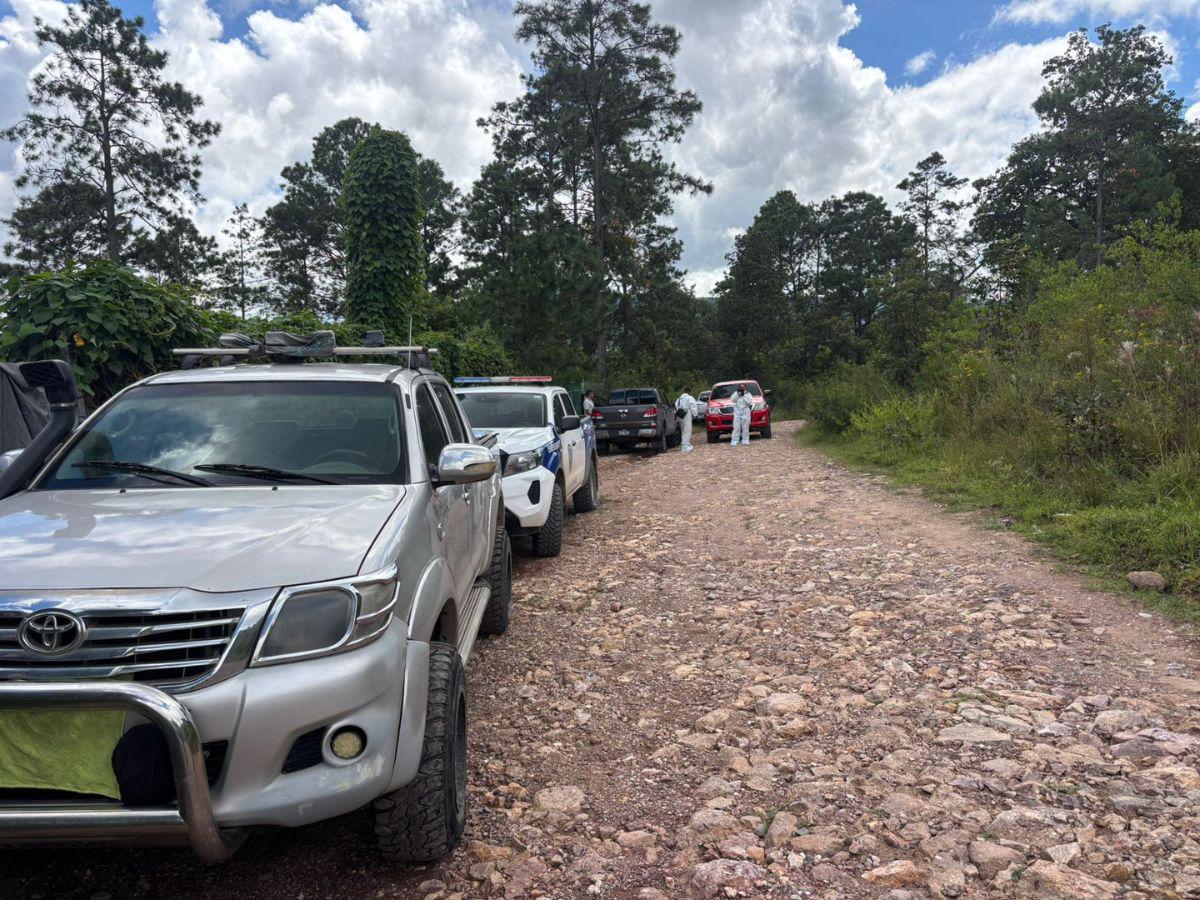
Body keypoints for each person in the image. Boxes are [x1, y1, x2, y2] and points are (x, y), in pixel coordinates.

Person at [730, 383, 753, 447]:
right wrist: (738, 394)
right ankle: (734, 440)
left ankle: (745, 440)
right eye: (741, 387)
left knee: (745, 427)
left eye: (743, 387)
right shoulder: (736, 393)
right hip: (737, 412)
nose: (742, 388)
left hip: (745, 412)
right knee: (736, 426)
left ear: (745, 388)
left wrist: (744, 395)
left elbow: (749, 402)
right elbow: (732, 399)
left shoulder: (748, 394)